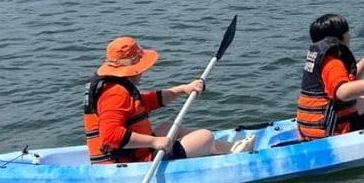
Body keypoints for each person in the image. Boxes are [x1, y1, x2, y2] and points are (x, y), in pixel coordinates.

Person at [83, 36, 252, 164]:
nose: (143, 71)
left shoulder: (117, 87)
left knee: (168, 126)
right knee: (205, 136)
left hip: (132, 154)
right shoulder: (115, 93)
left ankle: (231, 150)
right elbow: (111, 136)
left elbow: (146, 102)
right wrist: (155, 141)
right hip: (127, 163)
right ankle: (220, 152)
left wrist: (182, 89)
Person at [295, 14, 364, 141]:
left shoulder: (324, 58)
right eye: (347, 33)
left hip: (314, 124)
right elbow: (344, 92)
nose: (349, 36)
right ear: (338, 38)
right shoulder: (332, 63)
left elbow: (350, 80)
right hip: (330, 130)